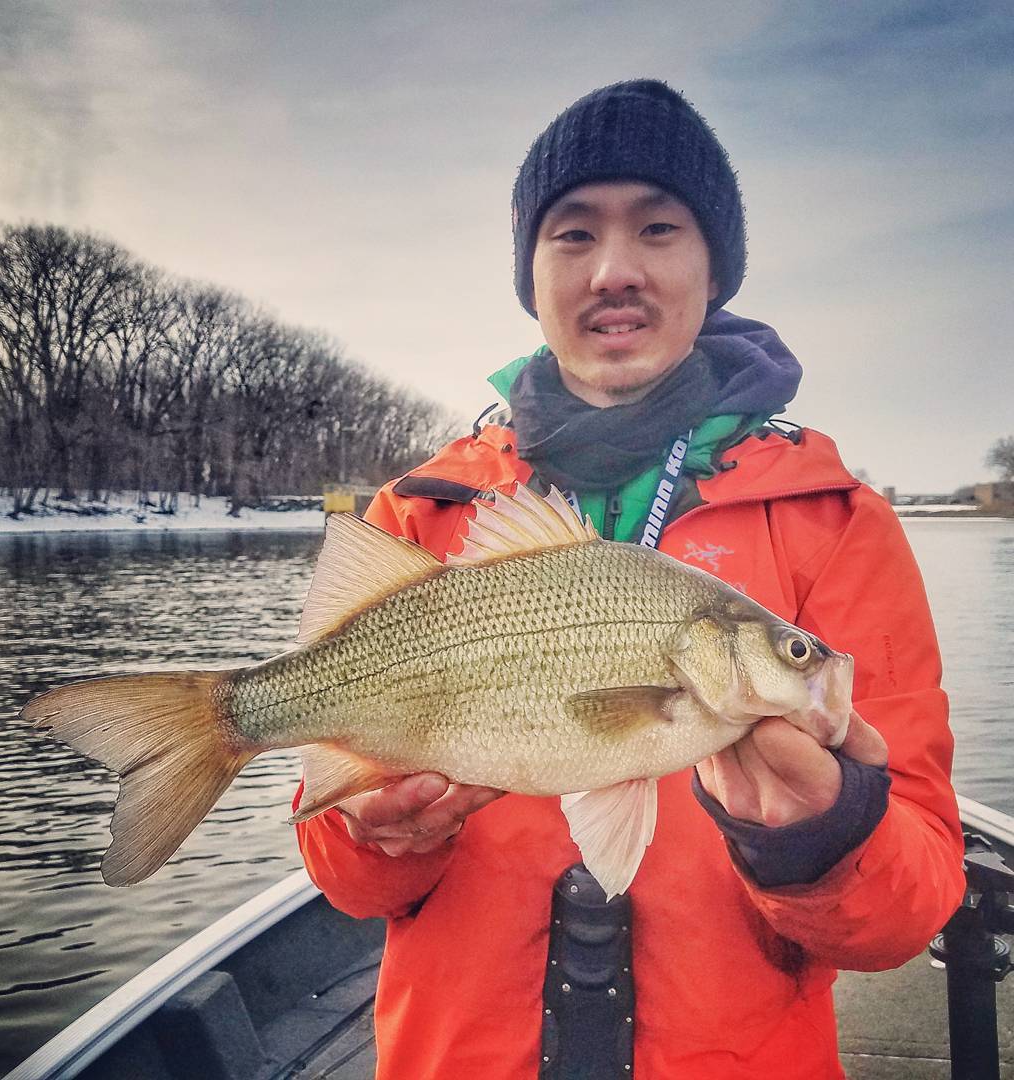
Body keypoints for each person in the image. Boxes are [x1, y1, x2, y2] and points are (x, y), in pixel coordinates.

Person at [295, 80, 964, 1078]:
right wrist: (371, 835)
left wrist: (828, 835)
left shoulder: (836, 522)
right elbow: (351, 889)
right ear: (532, 272)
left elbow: (903, 918)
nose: (616, 270)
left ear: (713, 266)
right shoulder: (418, 514)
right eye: (573, 235)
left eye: (659, 228)